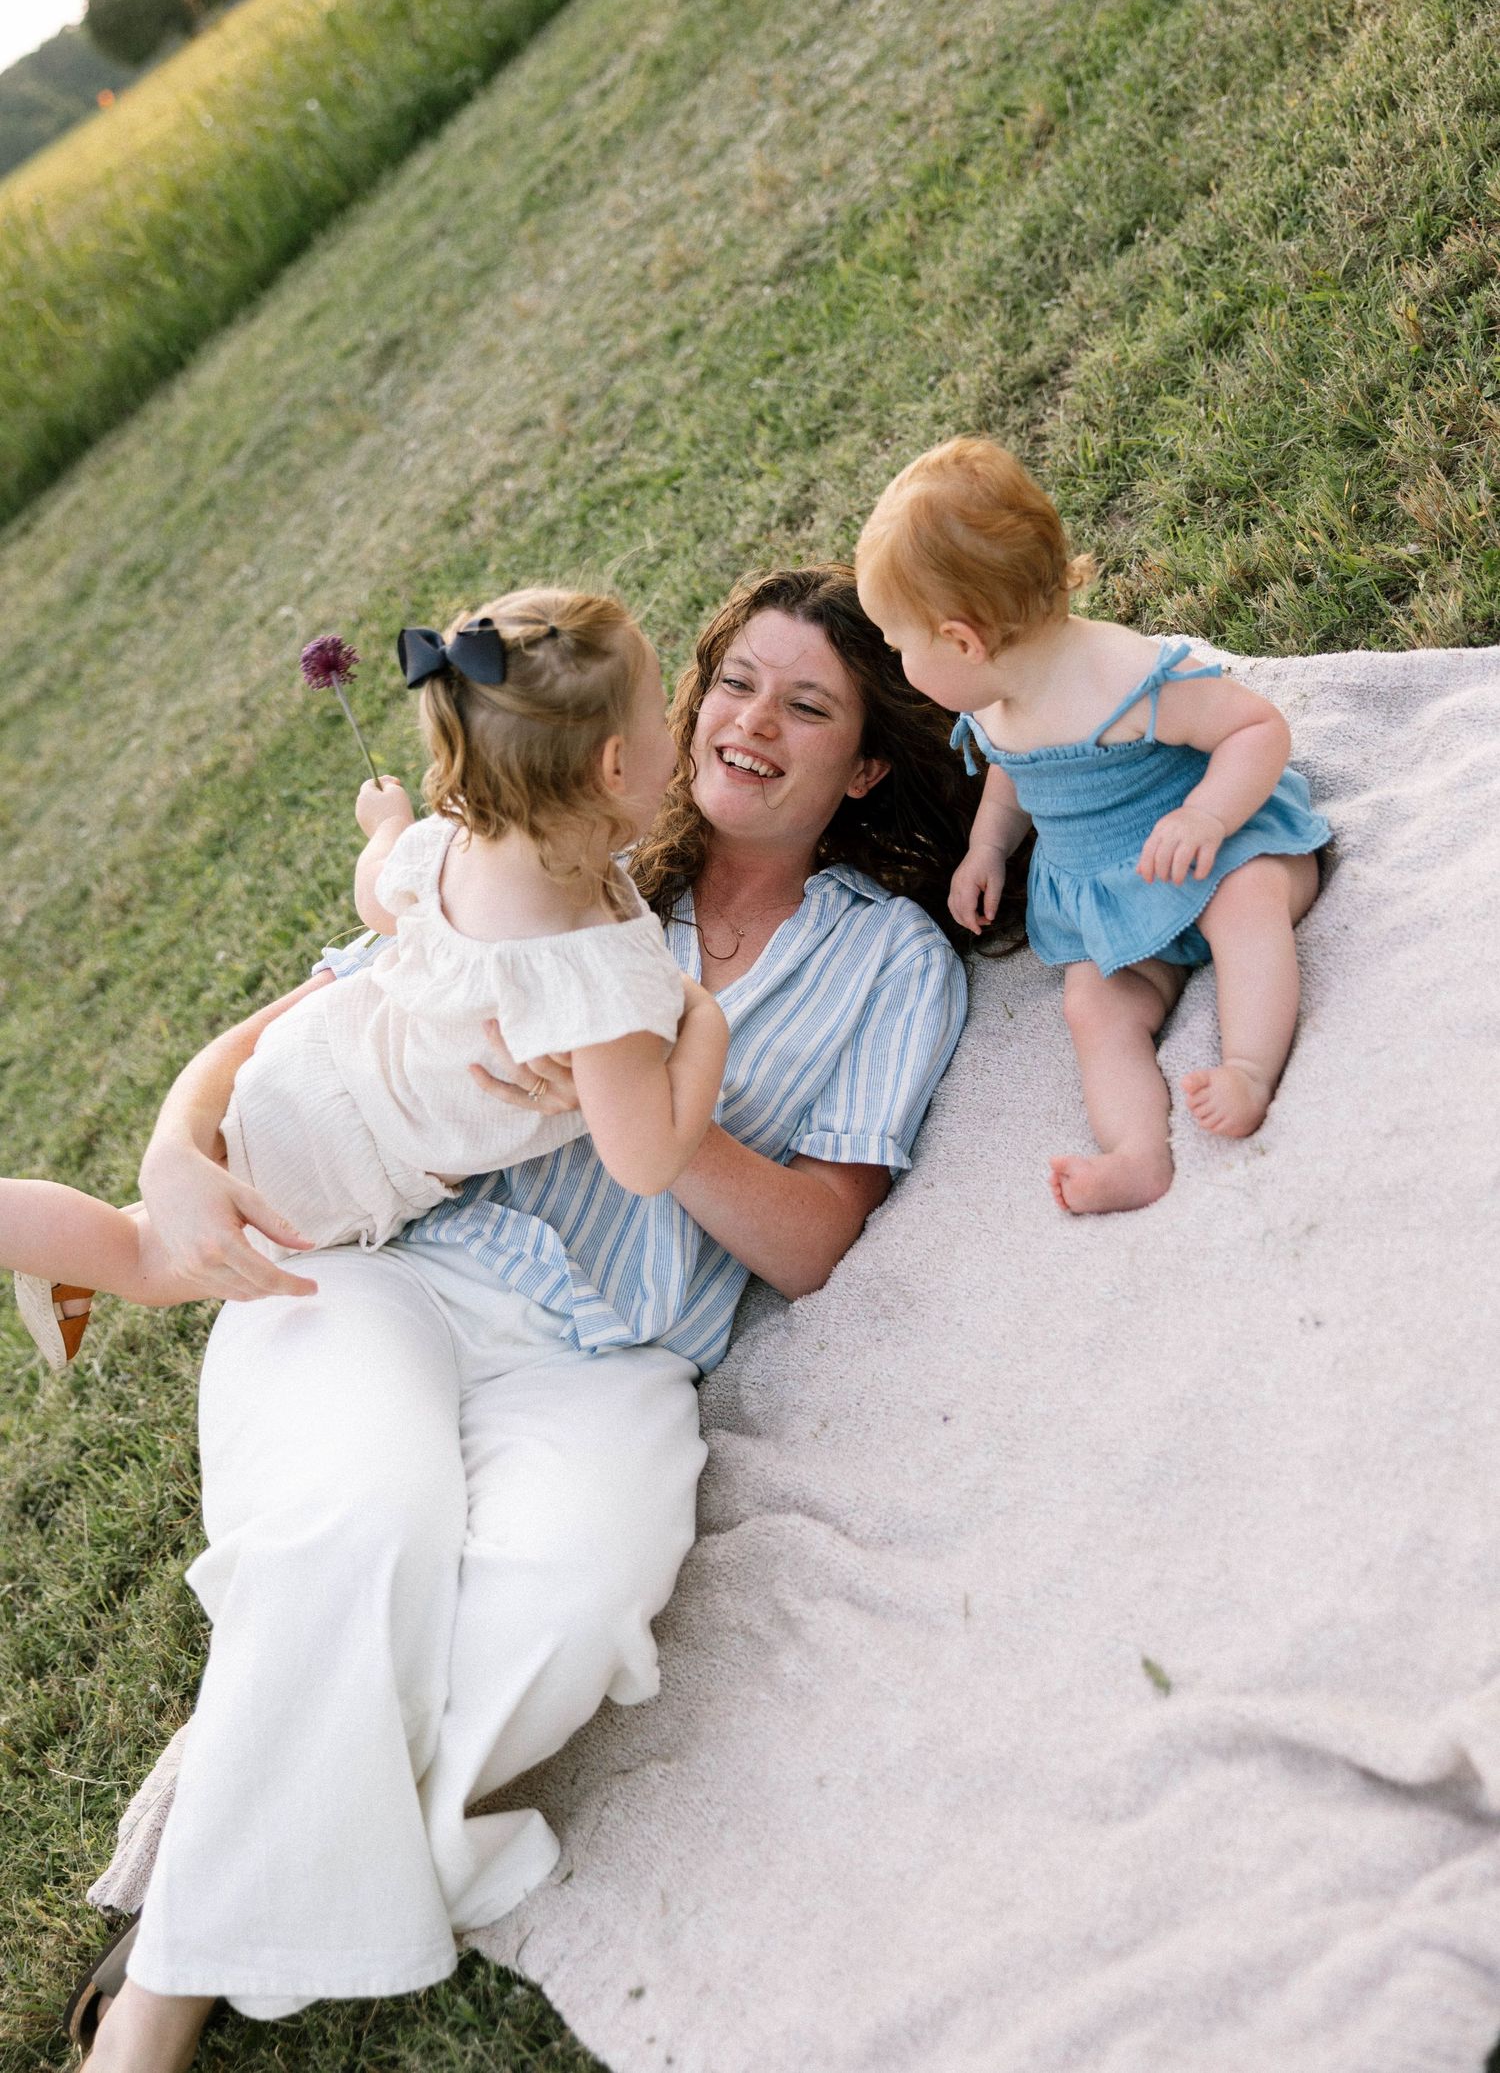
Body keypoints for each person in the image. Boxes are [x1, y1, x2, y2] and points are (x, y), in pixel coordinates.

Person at [69, 563, 973, 2073]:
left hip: (612, 1351)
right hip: (398, 1267)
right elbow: (308, 1021)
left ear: (865, 760)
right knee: (360, 1532)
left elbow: (816, 1240)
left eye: (806, 705)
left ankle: (226, 1839)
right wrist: (175, 1148)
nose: (753, 721)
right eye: (735, 680)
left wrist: (659, 1116)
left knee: (559, 1605)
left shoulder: (891, 961)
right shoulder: (561, 854)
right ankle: (156, 2010)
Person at [6, 589, 728, 1372]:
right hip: (346, 1156)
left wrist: (382, 826)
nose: (675, 730)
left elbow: (375, 898)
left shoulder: (446, 843)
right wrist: (706, 1023)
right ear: (615, 764)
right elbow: (646, 1160)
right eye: (661, 715)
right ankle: (53, 1242)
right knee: (144, 1256)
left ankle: (54, 1254)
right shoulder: (593, 980)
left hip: (310, 1057)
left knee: (161, 1210)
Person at [855, 437, 1331, 1218]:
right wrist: (987, 846)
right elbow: (1014, 770)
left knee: (1248, 909)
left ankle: (1247, 1065)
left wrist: (1208, 814)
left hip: (1221, 856)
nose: (899, 663)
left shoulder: (1125, 677)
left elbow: (1255, 729)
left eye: (900, 645)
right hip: (1115, 905)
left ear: (961, 640)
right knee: (1093, 1005)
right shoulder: (995, 700)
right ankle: (1137, 1152)